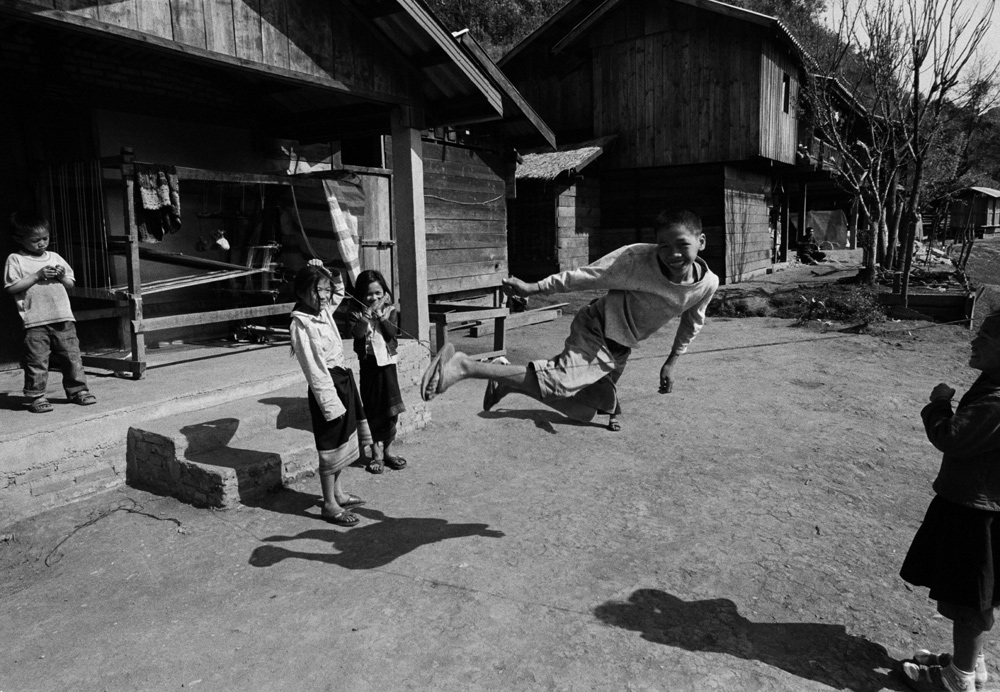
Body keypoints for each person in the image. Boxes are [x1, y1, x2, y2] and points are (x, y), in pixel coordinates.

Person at [420, 209, 719, 431]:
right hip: (597, 327)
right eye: (664, 246)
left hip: (621, 347)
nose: (672, 254)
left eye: (682, 244)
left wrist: (671, 361)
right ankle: (464, 366)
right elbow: (586, 276)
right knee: (559, 383)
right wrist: (534, 288)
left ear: (701, 241)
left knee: (585, 412)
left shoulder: (708, 284)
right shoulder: (637, 259)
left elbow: (693, 322)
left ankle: (510, 380)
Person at [898, 312, 1000, 691]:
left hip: (975, 514)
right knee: (975, 595)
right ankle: (972, 664)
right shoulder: (992, 382)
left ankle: (959, 679)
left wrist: (940, 403)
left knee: (968, 601)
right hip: (977, 506)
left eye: (986, 337)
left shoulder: (997, 400)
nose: (974, 341)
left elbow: (951, 437)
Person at [289, 260, 373, 527]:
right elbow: (314, 370)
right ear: (301, 292)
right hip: (327, 388)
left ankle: (338, 493)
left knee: (342, 442)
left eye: (324, 290)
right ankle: (328, 504)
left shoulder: (323, 310)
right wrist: (330, 403)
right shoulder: (301, 324)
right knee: (329, 445)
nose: (324, 296)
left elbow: (339, 290)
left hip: (343, 381)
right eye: (317, 291)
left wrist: (326, 270)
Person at [4, 211, 96, 413]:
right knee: (36, 361)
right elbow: (11, 287)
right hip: (35, 320)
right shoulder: (16, 259)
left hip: (63, 317)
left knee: (72, 357)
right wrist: (37, 275)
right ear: (19, 239)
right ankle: (36, 396)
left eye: (45, 238)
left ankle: (78, 391)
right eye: (35, 240)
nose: (42, 244)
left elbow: (70, 284)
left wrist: (62, 276)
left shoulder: (55, 257)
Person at [348, 269, 408, 475]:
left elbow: (392, 332)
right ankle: (376, 454)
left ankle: (389, 451)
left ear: (384, 293)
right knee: (372, 408)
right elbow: (357, 333)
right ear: (361, 295)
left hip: (388, 364)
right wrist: (365, 316)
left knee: (390, 409)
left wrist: (381, 316)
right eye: (368, 294)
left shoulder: (390, 309)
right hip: (369, 366)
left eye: (378, 293)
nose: (373, 298)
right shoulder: (355, 311)